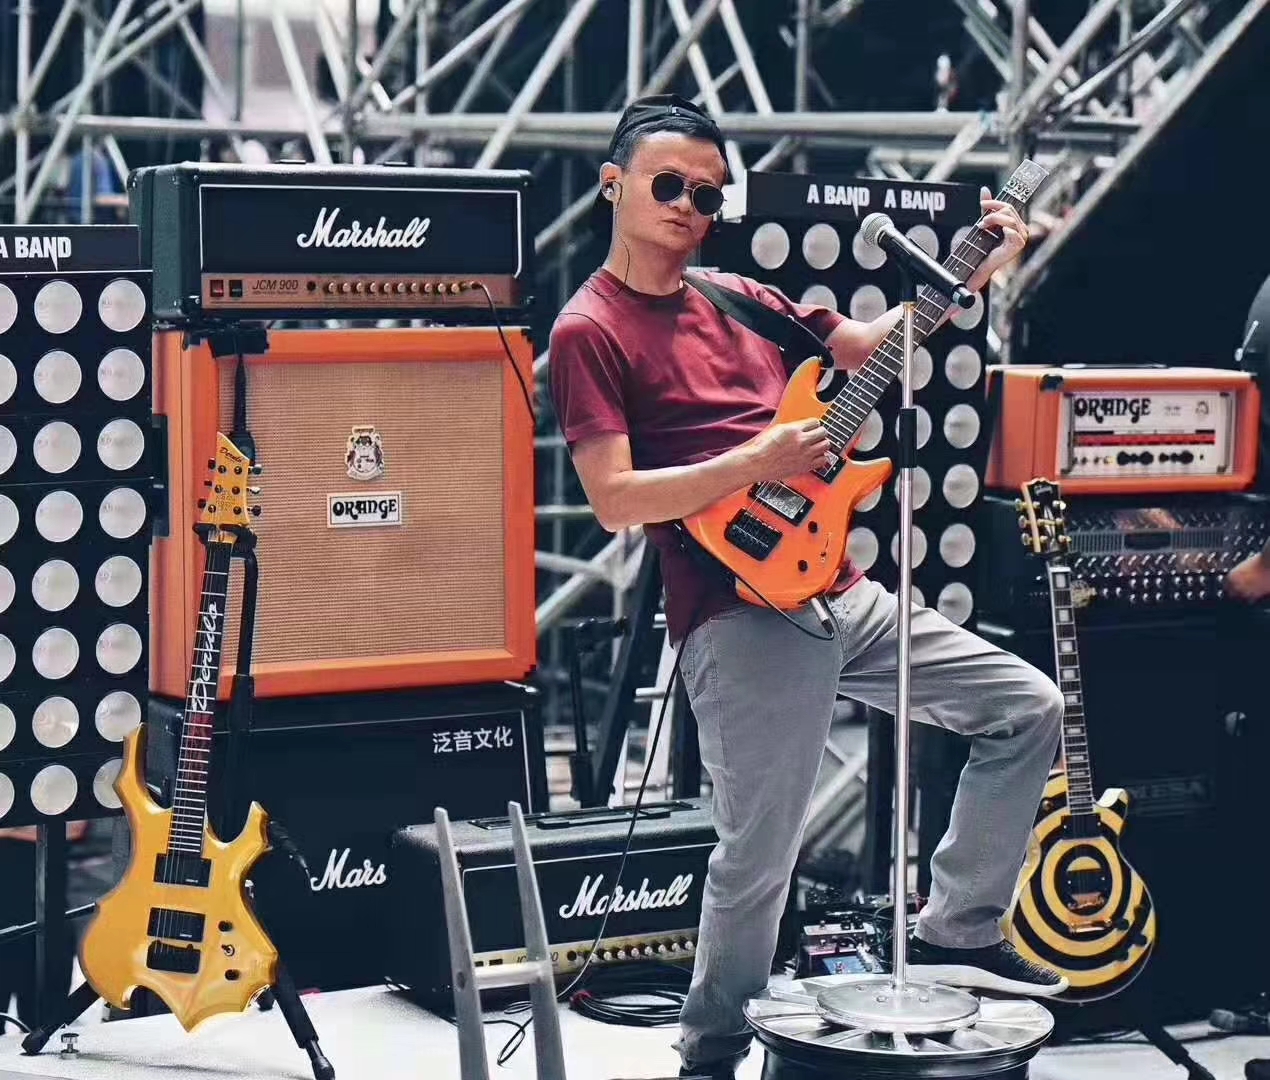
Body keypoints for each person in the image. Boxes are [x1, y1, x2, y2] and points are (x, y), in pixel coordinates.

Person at [547, 94, 1067, 1079]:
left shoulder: (735, 296)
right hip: (736, 611)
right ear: (614, 185)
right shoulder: (589, 330)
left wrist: (970, 272)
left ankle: (958, 925)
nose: (688, 204)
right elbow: (613, 499)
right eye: (668, 185)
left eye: (707, 193)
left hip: (840, 586)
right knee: (759, 858)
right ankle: (711, 1056)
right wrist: (758, 461)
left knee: (1026, 707)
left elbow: (872, 347)